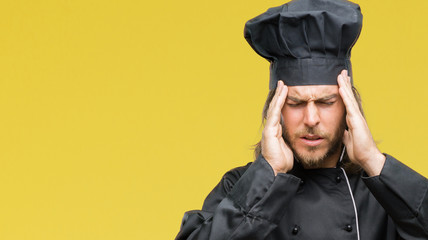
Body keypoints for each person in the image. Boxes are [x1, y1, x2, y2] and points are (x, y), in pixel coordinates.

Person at [175, 0, 428, 239]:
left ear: (349, 108)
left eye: (326, 102)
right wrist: (267, 173)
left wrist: (374, 161)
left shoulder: (381, 193)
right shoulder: (241, 186)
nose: (311, 118)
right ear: (275, 110)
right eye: (295, 103)